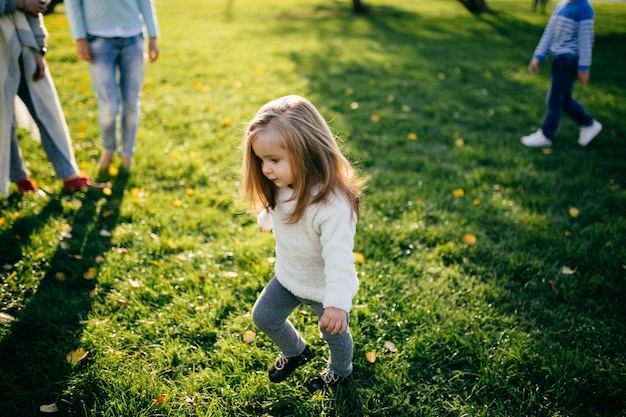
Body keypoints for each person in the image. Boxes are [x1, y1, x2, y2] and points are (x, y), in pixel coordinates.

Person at [241, 95, 365, 393]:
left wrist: (336, 303)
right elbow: (279, 208)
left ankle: (340, 370)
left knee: (333, 332)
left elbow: (338, 258)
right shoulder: (282, 185)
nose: (266, 170)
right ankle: (297, 351)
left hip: (325, 287)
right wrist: (265, 220)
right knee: (264, 317)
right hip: (289, 276)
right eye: (260, 160)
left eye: (274, 160)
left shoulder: (332, 206)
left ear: (307, 152)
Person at [0, 0, 100, 197]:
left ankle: (69, 174)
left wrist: (39, 48)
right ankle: (18, 177)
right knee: (3, 120)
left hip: (24, 44)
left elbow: (34, 8)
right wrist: (19, 3)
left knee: (46, 107)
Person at [64, 0, 160, 172]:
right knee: (109, 106)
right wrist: (79, 38)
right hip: (97, 40)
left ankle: (127, 155)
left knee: (131, 103)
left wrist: (153, 36)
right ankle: (108, 150)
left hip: (133, 37)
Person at [521, 0, 602, 148]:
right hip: (558, 60)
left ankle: (546, 135)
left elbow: (586, 41)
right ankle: (588, 124)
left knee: (555, 100)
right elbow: (549, 32)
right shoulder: (561, 6)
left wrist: (583, 68)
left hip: (569, 61)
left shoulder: (584, 9)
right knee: (562, 99)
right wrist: (538, 56)